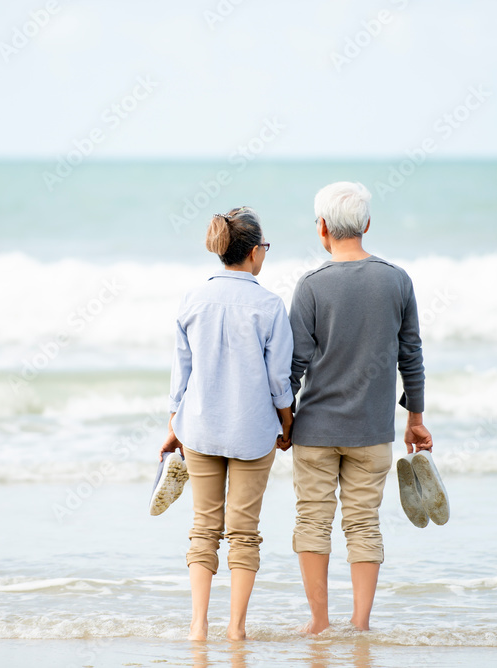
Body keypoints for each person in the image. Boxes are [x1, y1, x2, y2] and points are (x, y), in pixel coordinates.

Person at [279, 182, 433, 633]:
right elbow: (412, 355)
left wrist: (283, 421)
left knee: (312, 520)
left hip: (316, 431)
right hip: (372, 432)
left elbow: (293, 365)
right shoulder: (397, 280)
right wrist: (416, 418)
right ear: (366, 224)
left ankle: (319, 623)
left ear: (322, 227)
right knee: (364, 524)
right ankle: (361, 624)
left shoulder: (310, 285)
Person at [160, 206, 295, 642]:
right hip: (253, 431)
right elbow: (279, 379)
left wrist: (173, 424)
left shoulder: (191, 299)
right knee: (244, 533)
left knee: (203, 526)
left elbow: (181, 372)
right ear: (255, 252)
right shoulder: (270, 305)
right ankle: (236, 630)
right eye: (265, 248)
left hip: (197, 426)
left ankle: (198, 628)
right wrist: (286, 420)